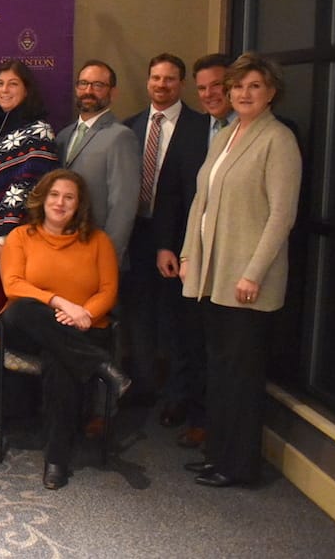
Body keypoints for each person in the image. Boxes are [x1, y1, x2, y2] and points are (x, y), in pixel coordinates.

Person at [180, 52, 301, 488]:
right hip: (213, 275)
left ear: (271, 92)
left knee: (242, 377)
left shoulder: (278, 139)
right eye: (237, 87)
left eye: (254, 86)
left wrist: (253, 272)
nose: (243, 94)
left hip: (247, 281)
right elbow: (202, 202)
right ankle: (218, 454)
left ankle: (239, 465)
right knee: (219, 371)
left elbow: (281, 216)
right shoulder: (226, 134)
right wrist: (190, 253)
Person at [0, 169, 129, 490]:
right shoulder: (20, 237)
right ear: (43, 199)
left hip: (82, 328)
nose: (60, 203)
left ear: (79, 204)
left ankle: (56, 459)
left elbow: (108, 291)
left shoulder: (98, 241)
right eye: (54, 195)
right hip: (30, 327)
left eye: (69, 197)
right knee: (22, 308)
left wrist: (84, 312)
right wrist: (61, 304)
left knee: (61, 360)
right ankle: (101, 365)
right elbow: (13, 285)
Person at [121, 53, 210, 409]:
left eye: (170, 79)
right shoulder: (130, 126)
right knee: (138, 318)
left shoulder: (201, 128)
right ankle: (144, 387)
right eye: (156, 78)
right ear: (147, 81)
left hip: (178, 238)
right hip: (137, 234)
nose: (161, 85)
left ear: (182, 84)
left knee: (175, 323)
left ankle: (176, 398)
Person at [153, 53, 232, 447]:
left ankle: (213, 421)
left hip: (235, 258)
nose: (209, 94)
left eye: (216, 85)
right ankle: (188, 406)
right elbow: (169, 192)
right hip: (189, 256)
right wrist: (168, 246)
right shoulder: (194, 130)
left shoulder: (254, 131)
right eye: (203, 88)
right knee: (186, 335)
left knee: (219, 346)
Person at [0, 59, 58, 297]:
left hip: (9, 237)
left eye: (13, 84)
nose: (4, 90)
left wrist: (2, 236)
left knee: (2, 302)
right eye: (0, 83)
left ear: (27, 89)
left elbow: (27, 187)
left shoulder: (38, 130)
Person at [55, 59, 139, 266]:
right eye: (83, 84)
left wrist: (108, 255)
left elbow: (123, 204)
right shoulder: (63, 136)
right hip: (62, 247)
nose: (88, 90)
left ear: (113, 92)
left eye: (98, 85)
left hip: (96, 251)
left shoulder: (121, 137)